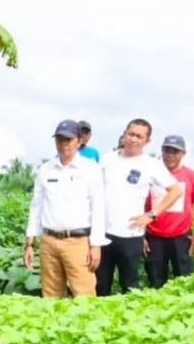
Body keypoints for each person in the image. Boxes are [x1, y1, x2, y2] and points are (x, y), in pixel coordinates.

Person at [96, 119, 181, 296]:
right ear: (125, 134)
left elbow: (175, 190)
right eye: (131, 134)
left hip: (130, 235)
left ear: (147, 141)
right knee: (100, 284)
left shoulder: (151, 164)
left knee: (130, 285)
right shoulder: (107, 159)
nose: (133, 139)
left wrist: (152, 214)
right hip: (102, 233)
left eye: (139, 136)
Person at [24, 119, 106, 298]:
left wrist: (96, 246)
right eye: (59, 139)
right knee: (51, 296)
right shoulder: (45, 169)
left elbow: (98, 208)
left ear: (79, 141)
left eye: (68, 140)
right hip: (49, 241)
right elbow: (36, 206)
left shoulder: (91, 170)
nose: (63, 144)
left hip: (77, 241)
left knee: (85, 296)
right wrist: (30, 242)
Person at [143, 135, 194, 288]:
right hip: (154, 237)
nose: (170, 155)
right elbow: (137, 204)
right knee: (156, 282)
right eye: (167, 150)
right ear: (162, 151)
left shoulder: (192, 176)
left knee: (185, 281)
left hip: (182, 238)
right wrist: (141, 235)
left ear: (183, 154)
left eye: (175, 152)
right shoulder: (150, 173)